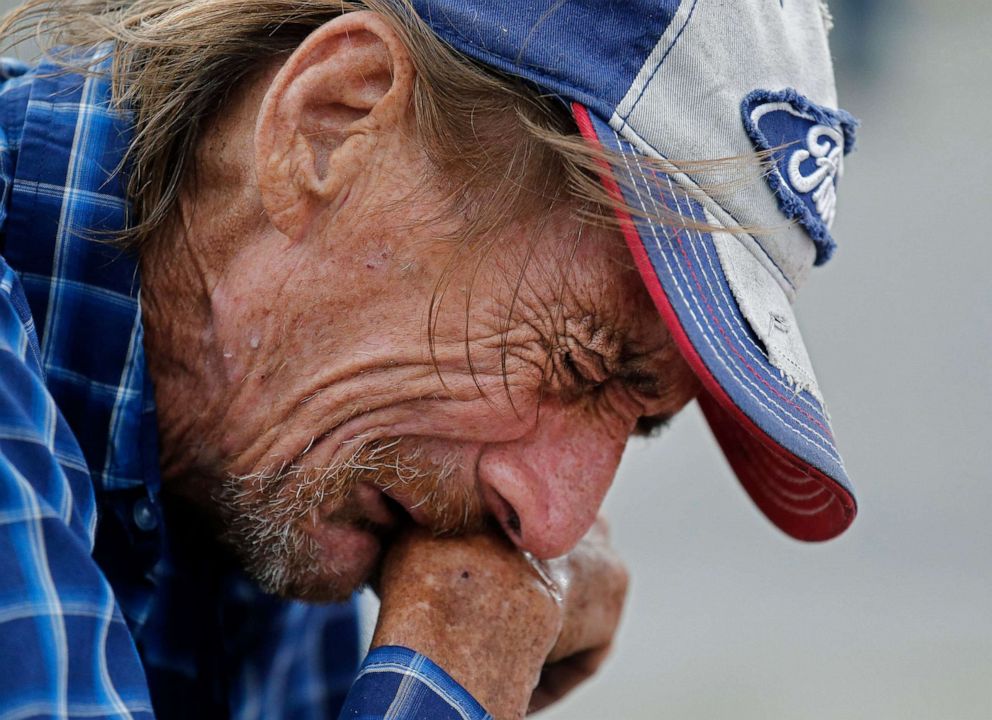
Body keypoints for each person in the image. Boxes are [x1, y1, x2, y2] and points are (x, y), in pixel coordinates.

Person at [0, 1, 859, 718]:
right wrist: (452, 668)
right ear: (332, 121)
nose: (556, 527)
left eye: (640, 427)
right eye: (578, 363)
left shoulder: (295, 454)